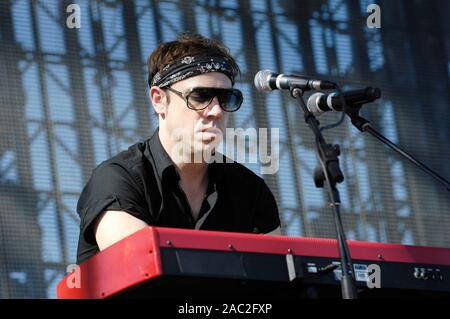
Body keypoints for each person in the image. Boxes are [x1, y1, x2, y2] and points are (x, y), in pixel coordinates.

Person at [76, 33, 281, 264]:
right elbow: (142, 265)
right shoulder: (118, 178)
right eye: (200, 96)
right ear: (158, 100)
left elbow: (278, 279)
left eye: (227, 98)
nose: (216, 111)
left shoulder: (250, 191)